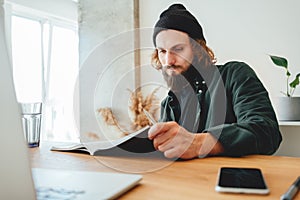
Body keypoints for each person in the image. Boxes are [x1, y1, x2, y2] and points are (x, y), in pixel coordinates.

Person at [147, 3, 282, 159]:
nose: (168, 60)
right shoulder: (168, 103)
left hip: (232, 180)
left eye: (178, 49)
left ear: (198, 48)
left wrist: (198, 144)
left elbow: (266, 132)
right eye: (162, 51)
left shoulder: (235, 74)